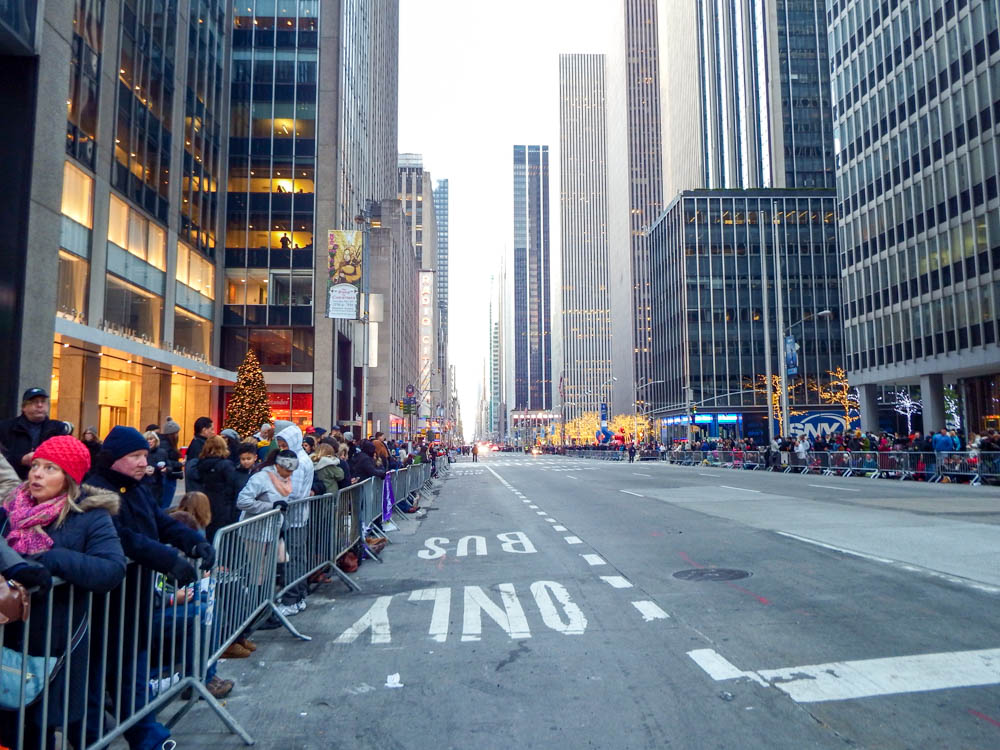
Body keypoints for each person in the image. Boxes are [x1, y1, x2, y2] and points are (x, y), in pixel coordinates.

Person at [84, 426, 214, 750]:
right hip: (106, 602)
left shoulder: (137, 487)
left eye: (145, 455)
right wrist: (168, 559)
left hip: (135, 599)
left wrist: (195, 543)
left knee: (132, 674)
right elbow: (123, 538)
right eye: (136, 456)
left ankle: (149, 739)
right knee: (97, 682)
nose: (144, 462)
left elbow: (162, 522)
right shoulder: (96, 490)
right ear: (114, 458)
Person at [0, 436, 126, 750]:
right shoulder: (10, 508)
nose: (36, 474)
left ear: (69, 478)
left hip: (55, 644)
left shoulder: (90, 516)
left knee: (42, 727)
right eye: (36, 466)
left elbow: (111, 570)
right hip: (8, 635)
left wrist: (51, 557)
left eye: (50, 468)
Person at [0, 387, 71, 480]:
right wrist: (21, 459)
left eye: (43, 402)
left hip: (48, 482)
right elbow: (3, 456)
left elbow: (66, 456)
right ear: (24, 407)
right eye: (34, 402)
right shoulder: (6, 427)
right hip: (14, 481)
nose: (40, 405)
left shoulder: (58, 428)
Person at [193, 435, 240, 542]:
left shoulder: (200, 464)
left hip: (205, 503)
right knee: (223, 538)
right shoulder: (226, 465)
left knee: (209, 533)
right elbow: (233, 485)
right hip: (223, 505)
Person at [145, 430, 183, 509]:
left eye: (151, 439)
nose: (149, 441)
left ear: (156, 440)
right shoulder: (142, 453)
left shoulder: (162, 452)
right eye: (147, 440)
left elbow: (169, 466)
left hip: (159, 485)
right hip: (145, 485)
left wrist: (166, 469)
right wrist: (144, 471)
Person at [183, 416, 215, 492]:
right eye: (212, 429)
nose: (213, 432)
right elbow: (194, 470)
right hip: (198, 488)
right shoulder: (199, 446)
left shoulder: (198, 442)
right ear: (204, 430)